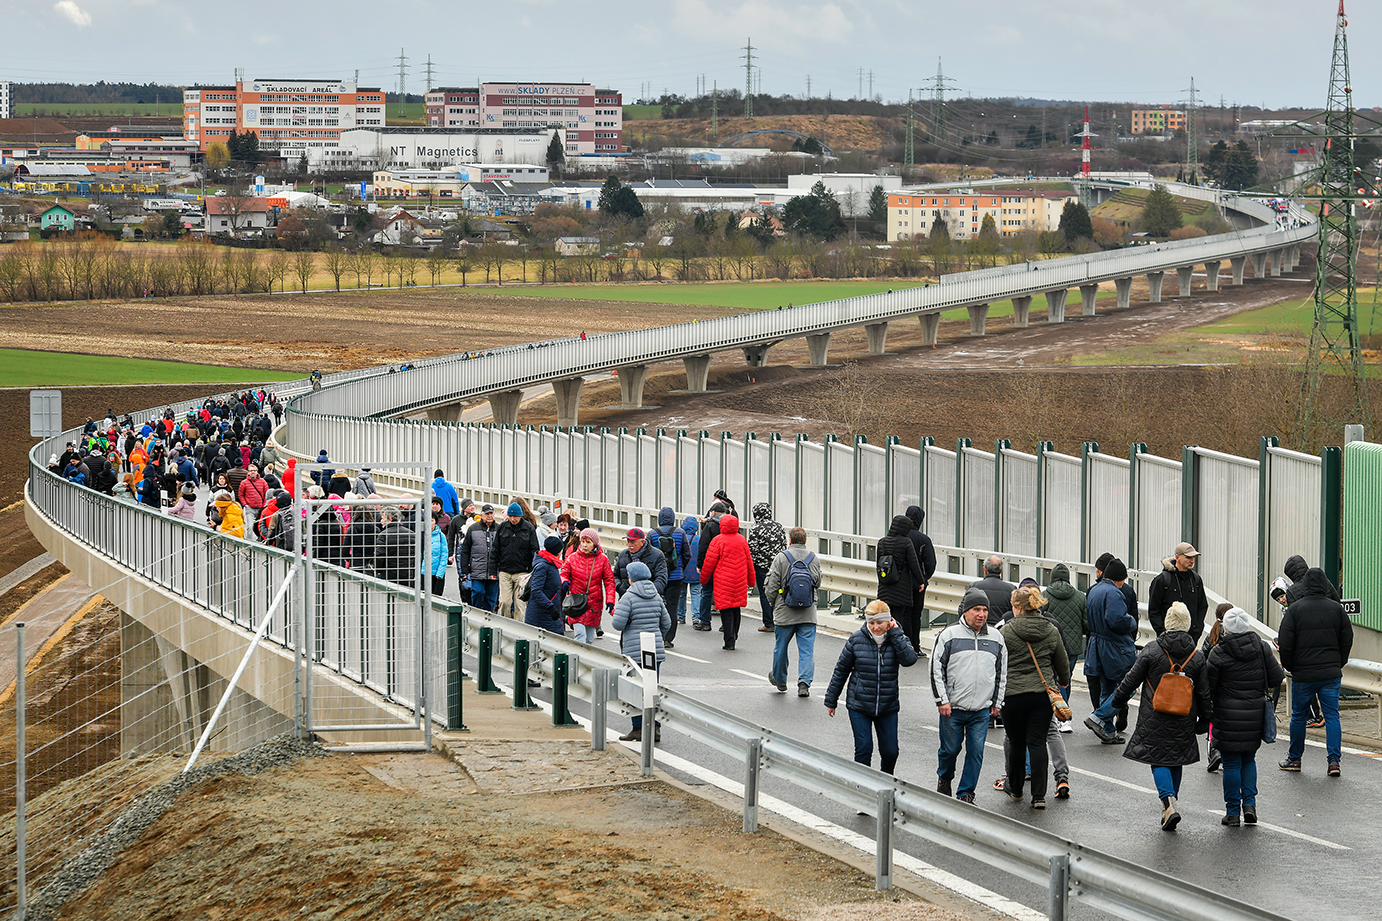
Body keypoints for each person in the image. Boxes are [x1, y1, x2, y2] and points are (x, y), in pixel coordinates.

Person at [1104, 601, 1213, 831]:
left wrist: (1117, 701)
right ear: (1187, 625)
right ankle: (1169, 806)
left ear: (1167, 624)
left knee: (1158, 759)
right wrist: (1205, 719)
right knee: (1176, 758)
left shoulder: (1152, 649)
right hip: (1184, 716)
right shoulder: (1197, 656)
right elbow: (1204, 692)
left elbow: (1130, 680)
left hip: (1154, 715)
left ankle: (1168, 801)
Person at [1207, 607, 1286, 826]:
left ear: (1226, 628)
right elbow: (1276, 677)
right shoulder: (1261, 648)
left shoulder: (1218, 652)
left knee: (1231, 764)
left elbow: (1208, 687)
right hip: (1254, 714)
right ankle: (1250, 805)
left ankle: (1233, 813)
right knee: (1249, 759)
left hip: (1226, 714)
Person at [825, 601, 919, 776]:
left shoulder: (898, 638)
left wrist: (896, 633)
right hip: (859, 704)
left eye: (880, 623)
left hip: (887, 705)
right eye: (871, 623)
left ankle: (885, 783)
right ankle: (863, 787)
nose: (875, 627)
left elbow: (909, 660)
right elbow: (841, 670)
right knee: (864, 749)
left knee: (891, 752)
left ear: (889, 621)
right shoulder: (856, 640)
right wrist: (832, 699)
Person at [931, 587, 1007, 803]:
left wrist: (997, 701)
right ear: (965, 611)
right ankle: (944, 778)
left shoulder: (996, 638)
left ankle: (966, 793)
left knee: (976, 752)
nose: (981, 614)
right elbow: (936, 668)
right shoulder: (948, 635)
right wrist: (942, 700)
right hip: (952, 708)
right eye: (976, 609)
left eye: (984, 610)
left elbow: (1002, 672)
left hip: (981, 710)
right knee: (950, 750)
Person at [998, 585, 1070, 809]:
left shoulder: (1006, 632)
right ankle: (1039, 796)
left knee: (1017, 742)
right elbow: (1062, 663)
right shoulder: (1050, 629)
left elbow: (997, 663)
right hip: (1041, 695)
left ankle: (1017, 790)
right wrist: (1064, 681)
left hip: (1013, 695)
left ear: (1018, 607)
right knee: (1037, 742)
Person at [1277, 566, 1352, 777]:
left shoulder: (1295, 610)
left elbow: (1286, 642)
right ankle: (1334, 762)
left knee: (1299, 716)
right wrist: (1339, 662)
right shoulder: (1337, 609)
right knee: (1332, 716)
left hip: (1303, 674)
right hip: (1330, 673)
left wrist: (1290, 665)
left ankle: (1294, 759)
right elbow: (1347, 639)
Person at [613, 560, 671, 743]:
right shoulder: (656, 596)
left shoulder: (628, 597)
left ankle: (638, 728)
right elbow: (667, 623)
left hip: (635, 650)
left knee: (636, 691)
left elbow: (617, 624)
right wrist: (656, 636)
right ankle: (656, 728)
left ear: (631, 578)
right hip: (654, 650)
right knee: (652, 689)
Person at [1083, 557, 1138, 743]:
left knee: (1107, 686)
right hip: (1114, 647)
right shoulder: (1114, 593)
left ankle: (1108, 731)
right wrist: (1131, 620)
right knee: (1128, 686)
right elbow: (1117, 620)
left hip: (1096, 644)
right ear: (1119, 578)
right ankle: (1098, 717)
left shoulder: (1095, 590)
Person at [763, 527, 822, 697]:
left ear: (790, 541)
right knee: (806, 650)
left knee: (780, 647)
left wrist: (775, 604)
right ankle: (804, 683)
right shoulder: (813, 558)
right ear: (805, 541)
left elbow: (771, 585)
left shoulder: (781, 558)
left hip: (785, 612)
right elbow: (817, 583)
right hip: (808, 613)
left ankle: (780, 680)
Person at [1040, 563, 1087, 732]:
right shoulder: (1080, 597)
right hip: (1072, 648)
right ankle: (1063, 714)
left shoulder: (1045, 595)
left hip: (1050, 645)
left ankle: (1062, 715)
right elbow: (1086, 623)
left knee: (1055, 680)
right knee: (1065, 679)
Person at [701, 514, 755, 651]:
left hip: (723, 581)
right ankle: (734, 635)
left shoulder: (718, 541)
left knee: (726, 610)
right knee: (736, 608)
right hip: (740, 580)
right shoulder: (742, 540)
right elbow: (749, 561)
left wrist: (704, 578)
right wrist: (752, 581)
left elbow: (709, 562)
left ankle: (729, 640)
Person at [876, 515, 926, 653]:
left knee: (884, 616)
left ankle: (883, 644)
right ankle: (897, 646)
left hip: (885, 585)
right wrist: (921, 581)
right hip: (902, 586)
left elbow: (878, 564)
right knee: (898, 618)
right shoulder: (906, 542)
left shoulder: (882, 542)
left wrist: (883, 581)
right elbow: (913, 564)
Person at [560, 528, 616, 644]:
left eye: (588, 542)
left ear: (594, 544)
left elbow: (609, 580)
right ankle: (577, 661)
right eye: (583, 541)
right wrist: (564, 581)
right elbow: (563, 573)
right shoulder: (572, 558)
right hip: (576, 603)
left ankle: (584, 661)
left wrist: (610, 600)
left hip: (594, 604)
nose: (585, 545)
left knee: (589, 640)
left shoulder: (603, 560)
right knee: (580, 635)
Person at [1148, 542, 1209, 643]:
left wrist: (1197, 630)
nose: (1192, 561)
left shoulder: (1196, 580)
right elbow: (1154, 610)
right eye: (1188, 557)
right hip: (1167, 640)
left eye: (1193, 558)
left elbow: (1202, 606)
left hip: (1191, 639)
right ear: (1177, 557)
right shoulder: (1162, 580)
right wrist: (1162, 632)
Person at [1200, 602, 1235, 772]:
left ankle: (1213, 751)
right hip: (1230, 684)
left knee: (1213, 718)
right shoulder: (1234, 634)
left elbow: (1203, 658)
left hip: (1213, 684)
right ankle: (1225, 752)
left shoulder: (1211, 635)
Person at [493, 502, 539, 619]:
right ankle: (505, 625)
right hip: (505, 571)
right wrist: (493, 570)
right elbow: (495, 549)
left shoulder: (529, 529)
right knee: (504, 602)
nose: (513, 519)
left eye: (515, 517)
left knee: (520, 605)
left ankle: (520, 630)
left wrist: (533, 570)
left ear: (520, 516)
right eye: (511, 516)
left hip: (522, 572)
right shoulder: (502, 527)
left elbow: (535, 550)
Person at [747, 503, 787, 632]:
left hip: (762, 567)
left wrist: (750, 568)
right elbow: (784, 545)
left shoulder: (756, 528)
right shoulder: (779, 526)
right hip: (779, 566)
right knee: (780, 592)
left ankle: (769, 623)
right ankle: (781, 620)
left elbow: (752, 550)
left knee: (765, 594)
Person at [653, 508, 691, 646]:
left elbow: (647, 554)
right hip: (676, 576)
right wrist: (680, 567)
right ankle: (668, 639)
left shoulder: (652, 533)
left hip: (657, 577)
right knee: (672, 607)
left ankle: (657, 634)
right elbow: (687, 554)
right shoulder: (680, 533)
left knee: (655, 606)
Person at [693, 500, 729, 631]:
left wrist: (700, 564)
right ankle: (726, 624)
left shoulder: (710, 525)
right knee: (725, 594)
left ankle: (705, 621)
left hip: (712, 564)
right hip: (726, 565)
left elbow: (703, 546)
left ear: (712, 512)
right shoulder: (731, 525)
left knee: (707, 591)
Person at [459, 504, 500, 612]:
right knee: (478, 591)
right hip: (477, 569)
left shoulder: (499, 529)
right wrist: (465, 569)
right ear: (482, 515)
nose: (489, 516)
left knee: (491, 598)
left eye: (491, 513)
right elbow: (465, 550)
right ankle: (476, 613)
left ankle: (488, 619)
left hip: (494, 571)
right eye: (487, 514)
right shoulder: (473, 529)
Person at [524, 536, 567, 635]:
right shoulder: (543, 566)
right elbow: (536, 590)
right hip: (541, 614)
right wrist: (550, 606)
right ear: (557, 551)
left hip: (549, 613)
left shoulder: (551, 563)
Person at [903, 505, 938, 626]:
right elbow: (931, 564)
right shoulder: (923, 539)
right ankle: (914, 644)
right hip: (918, 585)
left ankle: (900, 642)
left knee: (901, 615)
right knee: (915, 616)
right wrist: (923, 578)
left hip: (899, 584)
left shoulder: (897, 536)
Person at [972, 556, 1015, 627]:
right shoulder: (1011, 589)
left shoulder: (975, 586)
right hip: (1002, 629)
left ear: (985, 569)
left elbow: (963, 609)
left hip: (979, 628)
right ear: (1001, 571)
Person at [424, 509, 448, 596]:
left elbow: (444, 555)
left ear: (435, 522)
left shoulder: (441, 536)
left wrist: (440, 573)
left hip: (436, 574)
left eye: (432, 520)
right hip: (423, 573)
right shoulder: (420, 535)